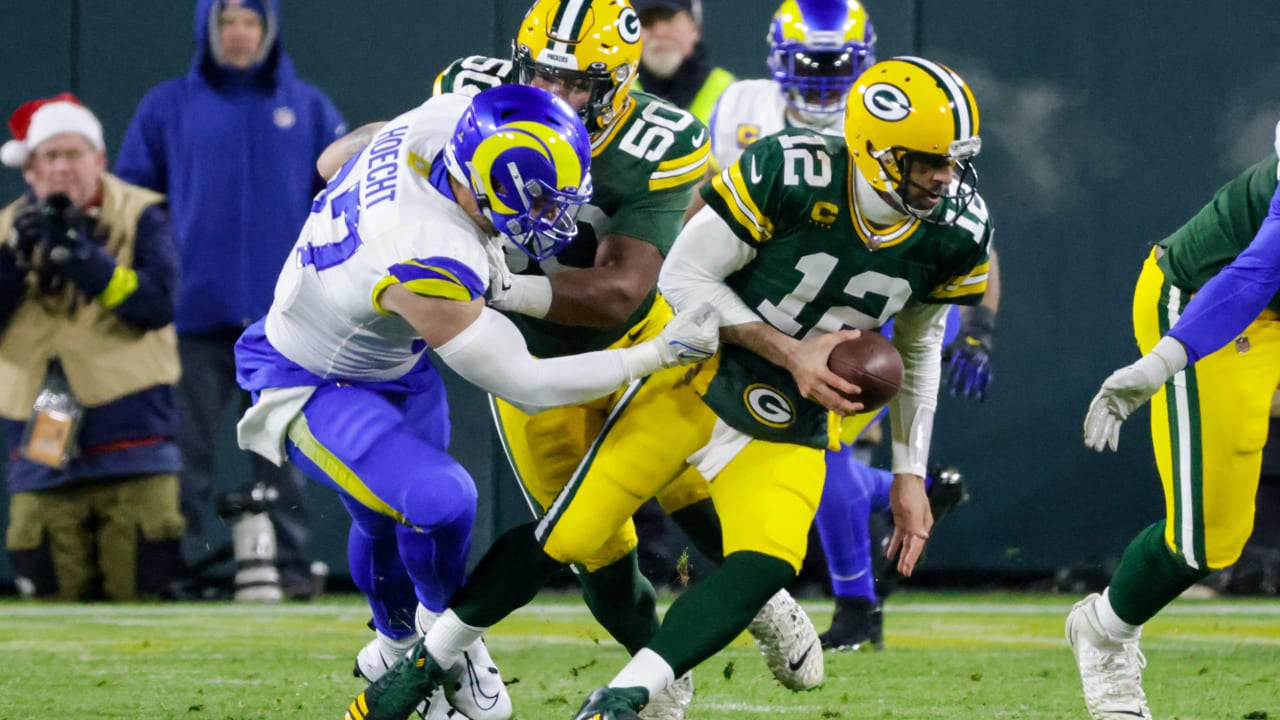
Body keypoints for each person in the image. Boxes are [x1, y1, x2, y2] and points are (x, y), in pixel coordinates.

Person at [352, 56, 992, 720]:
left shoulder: (956, 228)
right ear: (877, 149)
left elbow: (916, 345)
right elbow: (686, 277)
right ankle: (435, 662)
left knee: (765, 555)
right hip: (671, 365)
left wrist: (909, 471)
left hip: (750, 388)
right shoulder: (788, 168)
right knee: (578, 537)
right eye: (929, 162)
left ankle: (636, 687)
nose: (946, 178)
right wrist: (789, 350)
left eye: (954, 161)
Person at [343, 4, 821, 718]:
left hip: (636, 337)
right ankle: (655, 663)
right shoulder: (473, 92)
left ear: (620, 84)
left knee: (688, 483)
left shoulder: (659, 138)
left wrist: (501, 284)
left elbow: (621, 290)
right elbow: (385, 149)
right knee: (591, 541)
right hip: (526, 357)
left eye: (581, 84)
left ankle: (760, 592)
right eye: (543, 76)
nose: (558, 97)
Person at [231, 83, 717, 720]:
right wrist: (653, 355)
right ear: (485, 183)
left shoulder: (451, 118)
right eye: (541, 199)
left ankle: (401, 644)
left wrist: (366, 160)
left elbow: (332, 158)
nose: (553, 217)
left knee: (387, 518)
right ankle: (431, 644)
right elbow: (530, 384)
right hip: (313, 377)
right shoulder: (431, 254)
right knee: (441, 501)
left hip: (389, 355)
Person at [704, 0, 994, 651]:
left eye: (838, 69)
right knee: (785, 455)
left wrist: (978, 328)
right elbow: (708, 205)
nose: (824, 85)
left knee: (820, 447)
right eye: (810, 68)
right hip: (793, 310)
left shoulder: (900, 114)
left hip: (882, 315)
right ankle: (898, 503)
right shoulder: (742, 110)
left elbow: (969, 237)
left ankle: (859, 608)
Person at [114, 0, 347, 598]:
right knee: (185, 454)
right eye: (226, 22)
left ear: (268, 31)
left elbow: (345, 197)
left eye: (250, 21)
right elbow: (133, 204)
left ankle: (290, 568)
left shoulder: (310, 106)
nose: (239, 33)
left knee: (285, 447)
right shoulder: (167, 107)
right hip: (192, 317)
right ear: (207, 30)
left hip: (284, 321)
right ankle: (183, 569)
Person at [1072, 134, 1280, 720]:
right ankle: (1105, 632)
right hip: (1210, 306)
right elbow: (1254, 277)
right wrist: (1159, 363)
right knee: (1209, 538)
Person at [0, 93, 185, 601]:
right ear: (30, 171)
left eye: (73, 154)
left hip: (134, 440)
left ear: (99, 159)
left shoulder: (142, 213)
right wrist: (13, 260)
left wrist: (82, 257)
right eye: (49, 157)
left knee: (144, 594)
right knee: (50, 605)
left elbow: (155, 305)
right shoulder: (6, 228)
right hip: (39, 448)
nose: (61, 168)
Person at [630, 0, 735, 126]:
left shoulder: (731, 94)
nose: (660, 32)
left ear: (695, 28)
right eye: (647, 21)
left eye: (668, 18)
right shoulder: (613, 94)